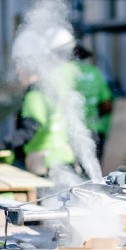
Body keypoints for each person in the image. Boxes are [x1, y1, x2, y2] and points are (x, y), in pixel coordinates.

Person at [0, 29, 76, 177]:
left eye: (18, 66)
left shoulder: (35, 95)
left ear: (24, 67)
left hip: (47, 163)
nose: (17, 72)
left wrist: (4, 144)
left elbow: (29, 130)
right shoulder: (50, 88)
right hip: (61, 158)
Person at [72, 44, 113, 162]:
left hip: (73, 131)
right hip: (95, 129)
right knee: (94, 166)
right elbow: (107, 103)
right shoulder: (95, 73)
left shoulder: (67, 73)